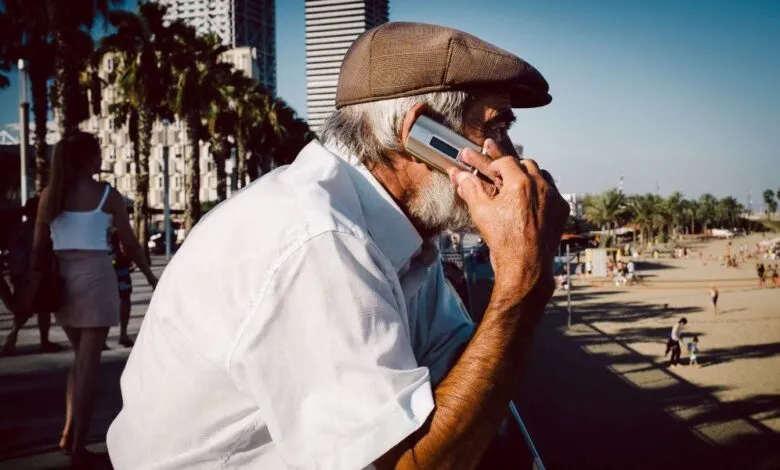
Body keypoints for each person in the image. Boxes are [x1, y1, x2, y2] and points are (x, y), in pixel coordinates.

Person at [106, 22, 568, 469]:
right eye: (496, 128)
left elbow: (456, 363)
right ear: (423, 135)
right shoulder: (315, 239)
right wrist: (521, 280)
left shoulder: (396, 235)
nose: (512, 157)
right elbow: (412, 464)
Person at [18, 131, 157, 468]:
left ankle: (68, 433)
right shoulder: (107, 196)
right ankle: (79, 447)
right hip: (95, 281)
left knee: (80, 361)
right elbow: (131, 244)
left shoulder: (50, 196)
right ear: (85, 160)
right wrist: (152, 277)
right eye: (96, 153)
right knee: (88, 367)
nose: (100, 158)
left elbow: (38, 250)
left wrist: (32, 289)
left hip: (62, 284)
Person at [2, 196, 64, 355]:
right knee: (42, 308)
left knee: (26, 308)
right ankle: (38, 340)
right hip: (36, 273)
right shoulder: (38, 230)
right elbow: (40, 251)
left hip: (19, 273)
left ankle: (13, 339)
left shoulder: (19, 229)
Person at [109, 228, 135, 347]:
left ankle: (102, 339)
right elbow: (127, 243)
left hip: (101, 263)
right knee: (124, 298)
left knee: (104, 301)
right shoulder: (116, 219)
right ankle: (123, 334)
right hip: (119, 264)